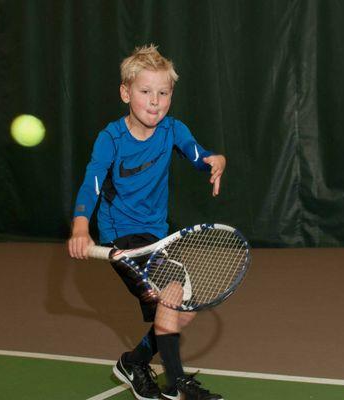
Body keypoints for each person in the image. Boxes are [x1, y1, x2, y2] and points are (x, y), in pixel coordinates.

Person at [68, 44, 226, 400]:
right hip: (121, 238)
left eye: (163, 93)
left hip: (157, 235)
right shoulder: (111, 138)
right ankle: (178, 385)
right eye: (145, 92)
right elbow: (92, 182)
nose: (155, 101)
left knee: (182, 313)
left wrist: (216, 160)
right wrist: (81, 225)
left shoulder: (173, 129)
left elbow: (198, 155)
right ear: (126, 93)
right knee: (172, 298)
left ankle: (135, 362)